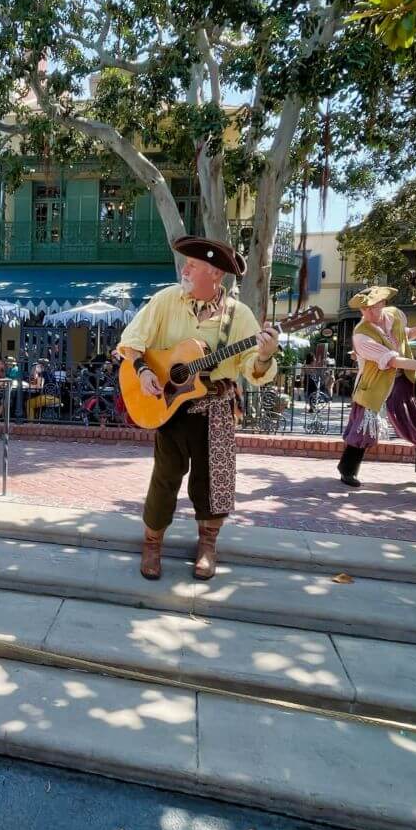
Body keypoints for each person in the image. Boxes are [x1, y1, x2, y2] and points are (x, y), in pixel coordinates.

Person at [117, 236, 280, 582]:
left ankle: (207, 545)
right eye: (186, 263)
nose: (185, 269)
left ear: (215, 274)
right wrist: (144, 371)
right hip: (171, 407)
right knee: (165, 478)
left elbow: (254, 367)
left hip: (216, 408)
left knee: (212, 482)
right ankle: (152, 543)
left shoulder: (240, 315)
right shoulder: (165, 301)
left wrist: (264, 355)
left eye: (193, 265)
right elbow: (131, 342)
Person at [336, 286, 416, 489]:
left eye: (372, 307)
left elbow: (407, 336)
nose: (368, 312)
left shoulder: (395, 315)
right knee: (363, 428)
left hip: (402, 380)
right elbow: (395, 361)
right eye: (364, 309)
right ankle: (347, 469)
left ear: (382, 304)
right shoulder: (361, 335)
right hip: (374, 384)